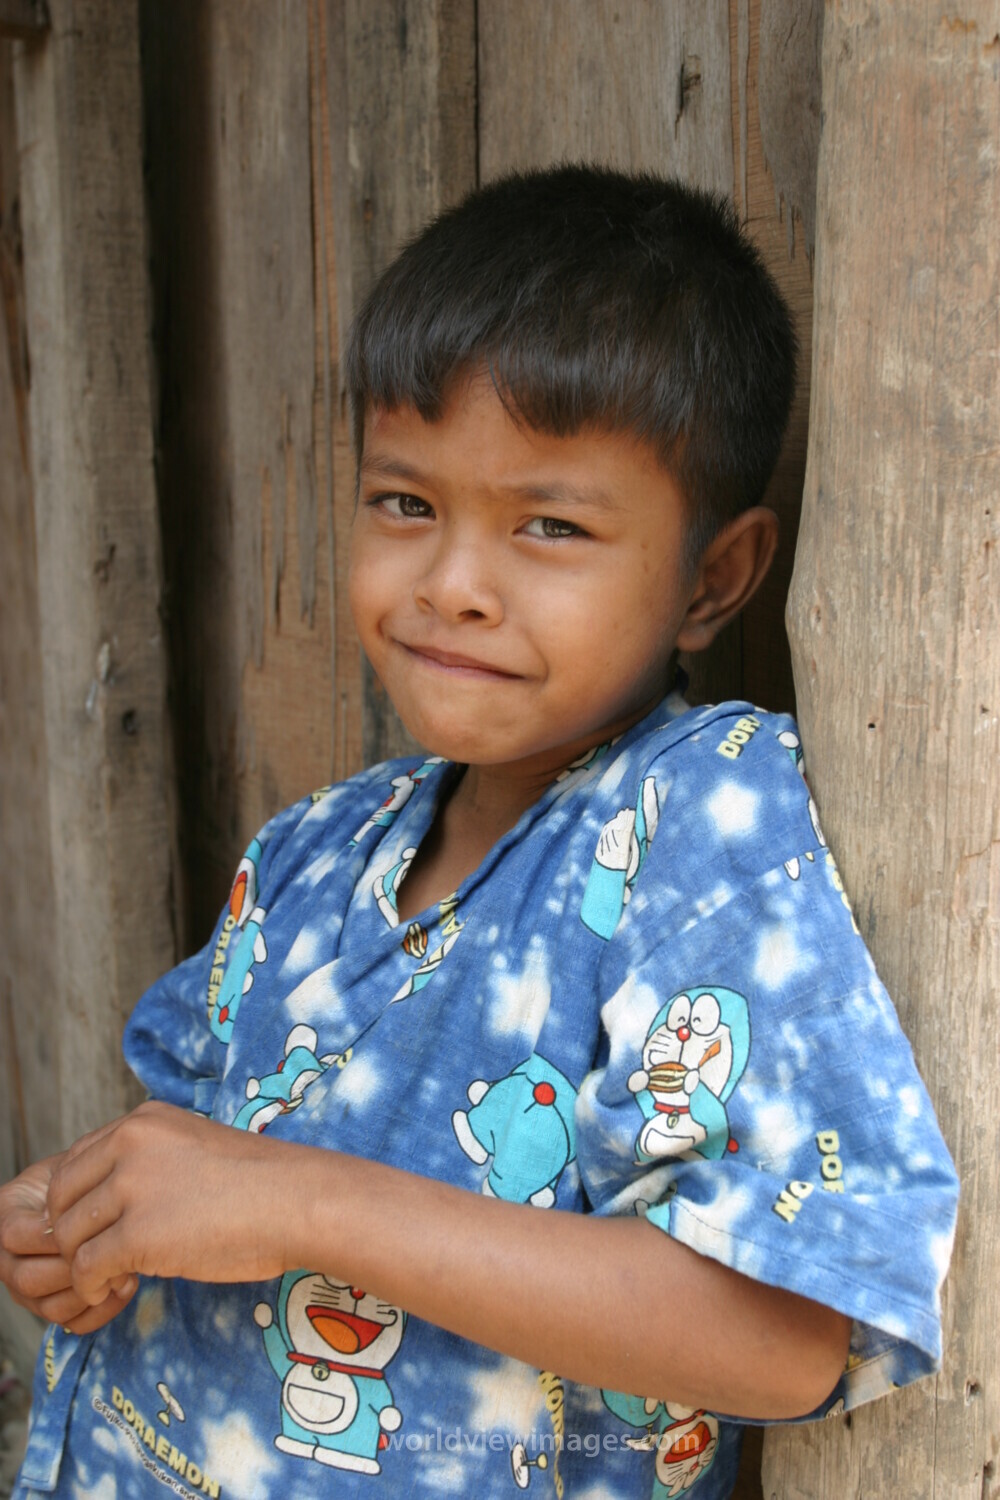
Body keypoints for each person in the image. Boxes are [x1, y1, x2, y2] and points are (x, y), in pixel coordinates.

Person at [1, 165, 957, 1500]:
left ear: (716, 576)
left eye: (549, 526)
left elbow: (784, 1331)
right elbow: (202, 1153)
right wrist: (91, 1218)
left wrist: (293, 1204)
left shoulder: (697, 819)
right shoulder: (310, 852)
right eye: (406, 503)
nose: (452, 584)